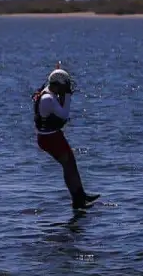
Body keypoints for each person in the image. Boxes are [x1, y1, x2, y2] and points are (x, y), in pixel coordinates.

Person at [32, 62, 100, 209]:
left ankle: (81, 194)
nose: (67, 88)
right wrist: (67, 96)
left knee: (71, 163)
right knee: (68, 165)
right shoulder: (48, 99)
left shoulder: (50, 89)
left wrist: (58, 71)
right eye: (65, 86)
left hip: (53, 135)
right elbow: (64, 114)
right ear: (57, 85)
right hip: (49, 138)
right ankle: (77, 201)